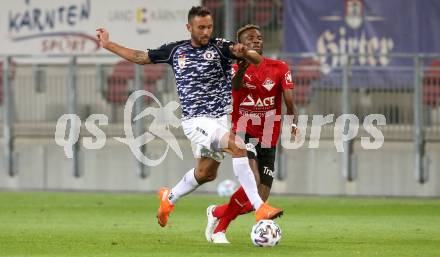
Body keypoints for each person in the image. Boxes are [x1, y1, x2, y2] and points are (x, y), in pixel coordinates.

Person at [96, 6, 283, 228]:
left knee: (206, 174)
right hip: (196, 121)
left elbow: (256, 60)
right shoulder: (176, 51)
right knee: (238, 146)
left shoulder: (221, 47)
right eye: (201, 27)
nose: (206, 32)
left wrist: (244, 51)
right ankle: (260, 208)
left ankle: (169, 198)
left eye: (209, 27)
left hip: (219, 120)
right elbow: (140, 57)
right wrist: (108, 44)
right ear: (189, 27)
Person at [205, 24, 298, 243]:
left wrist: (293, 120)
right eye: (250, 38)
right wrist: (244, 65)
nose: (256, 41)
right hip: (243, 130)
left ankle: (217, 212)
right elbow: (236, 87)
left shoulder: (279, 67)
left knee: (259, 198)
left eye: (259, 38)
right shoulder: (235, 67)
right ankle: (220, 229)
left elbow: (289, 99)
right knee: (253, 181)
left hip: (268, 134)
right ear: (241, 45)